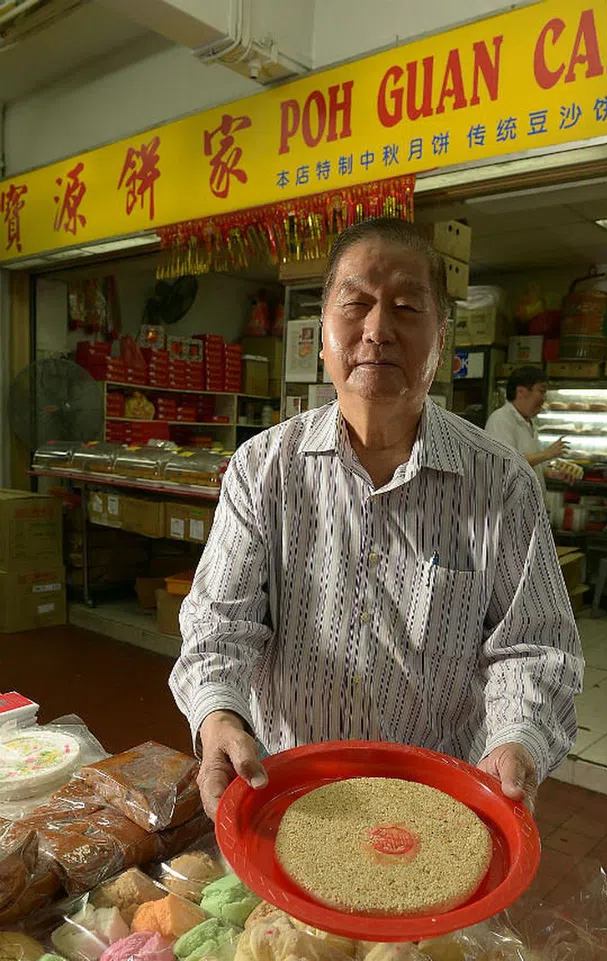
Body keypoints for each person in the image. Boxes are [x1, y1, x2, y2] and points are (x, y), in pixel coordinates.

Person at [169, 218, 583, 820]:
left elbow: (535, 647)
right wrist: (218, 716)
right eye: (355, 304)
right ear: (321, 334)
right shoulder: (263, 469)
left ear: (441, 340)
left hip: (437, 804)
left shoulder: (502, 483)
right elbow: (218, 625)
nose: (378, 329)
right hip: (291, 793)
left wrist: (515, 739)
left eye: (408, 307)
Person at [484, 367, 569, 499]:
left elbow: (530, 464)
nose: (544, 398)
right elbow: (506, 465)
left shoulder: (529, 423)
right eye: (541, 391)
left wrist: (550, 473)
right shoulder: (501, 419)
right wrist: (546, 454)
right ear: (521, 391)